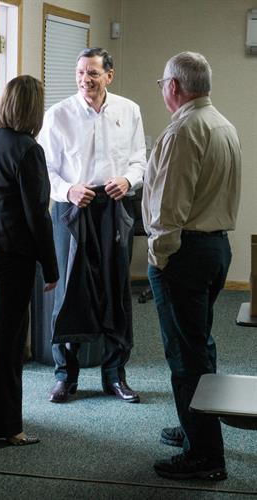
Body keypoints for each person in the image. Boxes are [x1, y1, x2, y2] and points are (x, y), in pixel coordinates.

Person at [142, 52, 241, 479]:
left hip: (184, 254)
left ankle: (205, 456)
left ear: (175, 86)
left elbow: (170, 206)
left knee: (185, 355)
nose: (162, 89)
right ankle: (194, 430)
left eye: (162, 83)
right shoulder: (222, 123)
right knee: (199, 344)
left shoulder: (184, 130)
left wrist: (158, 258)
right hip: (216, 248)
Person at [39, 47, 146, 404]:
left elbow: (139, 161)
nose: (86, 79)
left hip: (114, 206)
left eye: (93, 73)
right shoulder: (58, 115)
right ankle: (65, 376)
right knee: (69, 290)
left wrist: (128, 181)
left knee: (117, 290)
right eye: (81, 73)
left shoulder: (129, 111)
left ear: (109, 76)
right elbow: (47, 171)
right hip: (72, 208)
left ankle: (115, 375)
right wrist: (68, 189)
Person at [0, 75, 59, 445]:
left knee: (4, 328)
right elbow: (38, 214)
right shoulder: (28, 149)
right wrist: (51, 266)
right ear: (34, 108)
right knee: (10, 335)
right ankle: (5, 426)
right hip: (10, 251)